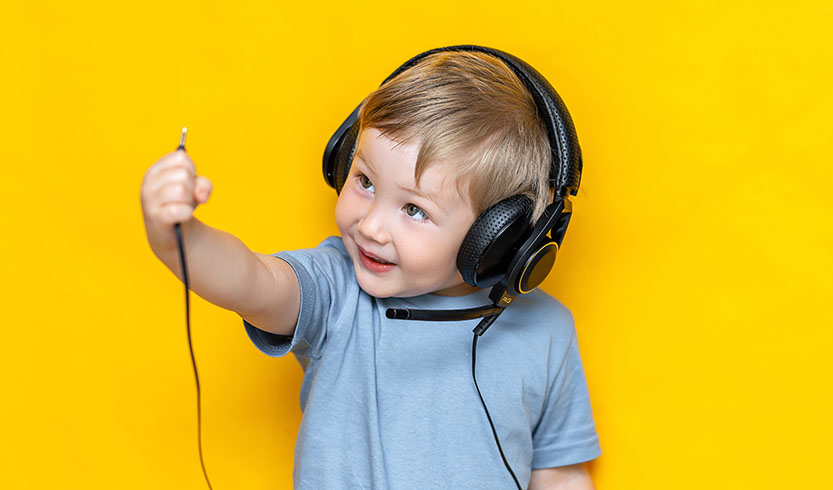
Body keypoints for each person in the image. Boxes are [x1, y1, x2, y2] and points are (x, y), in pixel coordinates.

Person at [141, 46, 600, 489]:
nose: (371, 226)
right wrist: (180, 237)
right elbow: (252, 283)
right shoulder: (337, 289)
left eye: (414, 210)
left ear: (499, 239)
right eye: (363, 181)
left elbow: (560, 475)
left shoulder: (548, 331)